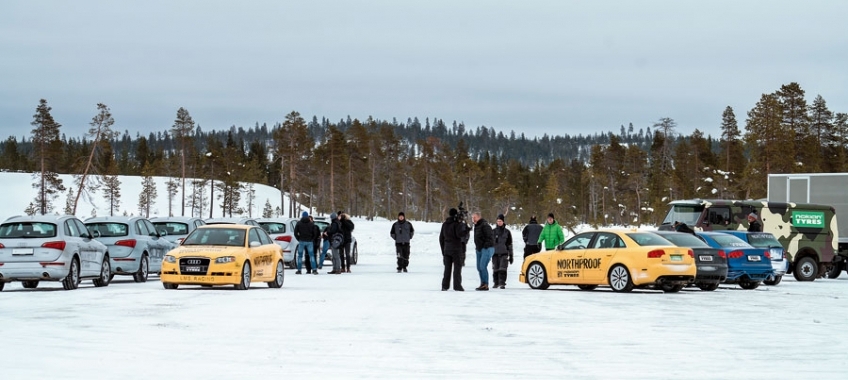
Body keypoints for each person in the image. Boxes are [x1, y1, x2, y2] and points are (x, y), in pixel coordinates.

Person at [439, 208, 466, 291]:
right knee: (457, 268)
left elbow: (441, 238)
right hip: (456, 248)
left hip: (447, 248)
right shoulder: (456, 224)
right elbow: (459, 235)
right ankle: (457, 285)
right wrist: (466, 230)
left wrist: (443, 250)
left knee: (447, 268)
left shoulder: (445, 224)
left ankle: (445, 285)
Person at [472, 212, 495, 291]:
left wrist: (485, 246)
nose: (473, 219)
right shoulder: (476, 226)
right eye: (472, 217)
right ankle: (482, 283)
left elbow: (490, 237)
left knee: (482, 266)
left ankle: (485, 284)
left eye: (474, 217)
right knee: (479, 267)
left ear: (478, 217)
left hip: (486, 248)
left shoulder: (485, 225)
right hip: (479, 249)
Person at [492, 214, 514, 289]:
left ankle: (502, 283)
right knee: (495, 269)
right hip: (495, 253)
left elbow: (509, 244)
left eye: (500, 221)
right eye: (498, 221)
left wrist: (511, 255)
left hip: (504, 253)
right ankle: (496, 282)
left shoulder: (507, 232)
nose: (499, 222)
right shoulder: (493, 231)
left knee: (502, 269)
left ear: (503, 222)